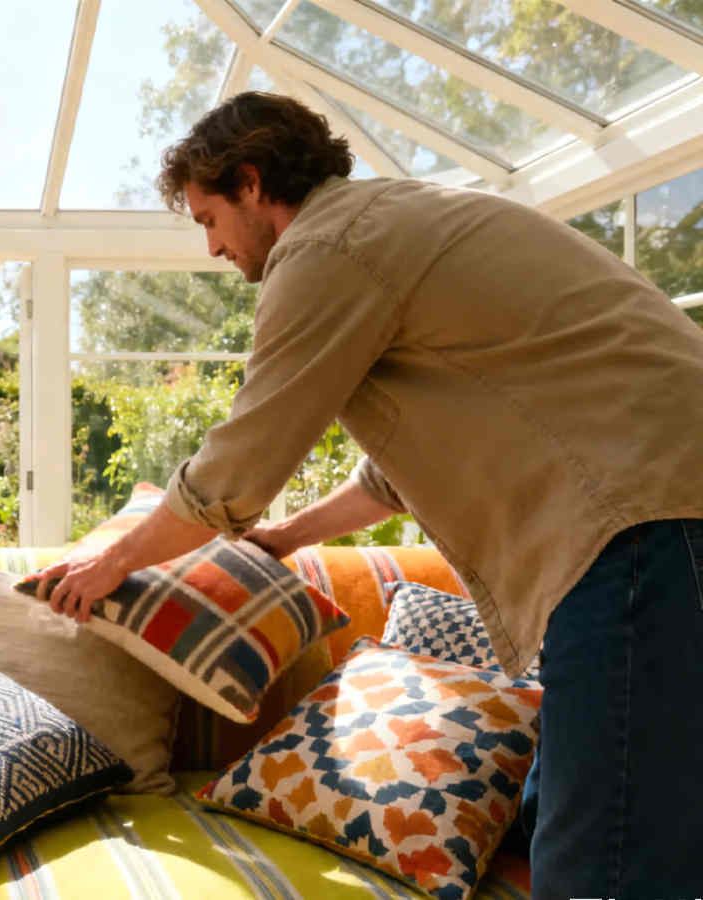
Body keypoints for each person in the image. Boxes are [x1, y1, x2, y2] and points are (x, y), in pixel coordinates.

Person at [36, 91, 703, 900]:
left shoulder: (331, 248)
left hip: (641, 530)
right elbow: (395, 473)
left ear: (251, 182)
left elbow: (239, 464)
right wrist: (286, 540)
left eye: (209, 217)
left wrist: (114, 561)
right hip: (651, 524)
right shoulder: (397, 228)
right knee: (581, 827)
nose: (210, 246)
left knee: (608, 867)